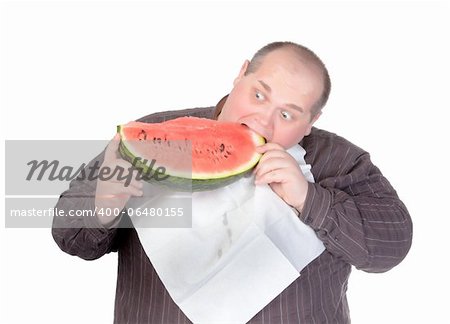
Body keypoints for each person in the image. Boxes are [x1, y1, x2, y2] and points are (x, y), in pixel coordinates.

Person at [52, 41, 413, 323]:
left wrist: (310, 200)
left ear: (311, 121)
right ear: (240, 74)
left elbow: (391, 247)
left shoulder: (339, 161)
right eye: (259, 95)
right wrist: (102, 206)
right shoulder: (155, 134)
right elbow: (69, 236)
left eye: (287, 114)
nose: (262, 122)